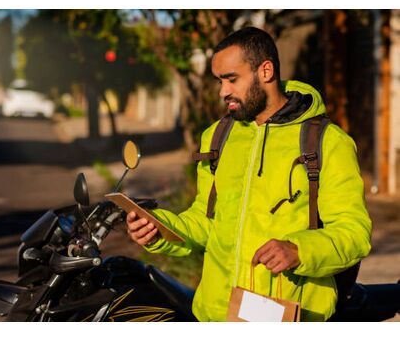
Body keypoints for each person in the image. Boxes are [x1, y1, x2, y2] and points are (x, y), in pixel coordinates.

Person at [126, 27, 372, 322]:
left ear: (265, 71)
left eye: (232, 79)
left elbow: (354, 233)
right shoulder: (217, 137)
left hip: (290, 316)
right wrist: (159, 228)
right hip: (216, 315)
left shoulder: (327, 142)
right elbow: (205, 224)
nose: (222, 91)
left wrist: (299, 249)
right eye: (219, 81)